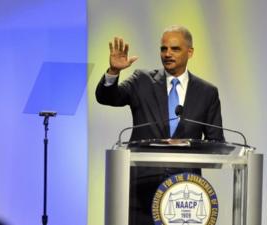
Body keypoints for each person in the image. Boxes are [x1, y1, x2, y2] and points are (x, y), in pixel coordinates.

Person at [95, 25, 224, 225]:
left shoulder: (207, 92)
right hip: (142, 189)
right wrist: (113, 71)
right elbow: (108, 97)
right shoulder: (142, 81)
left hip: (185, 195)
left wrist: (187, 144)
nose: (167, 54)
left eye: (175, 49)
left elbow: (216, 141)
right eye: (163, 49)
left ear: (190, 52)